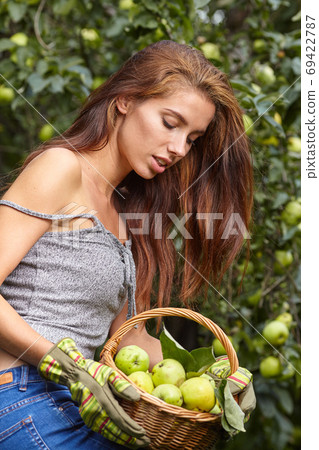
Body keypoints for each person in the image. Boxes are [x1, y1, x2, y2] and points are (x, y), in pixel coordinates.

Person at [0, 40, 253, 448]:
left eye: (192, 138)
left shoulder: (122, 213)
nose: (178, 148)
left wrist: (214, 382)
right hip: (18, 395)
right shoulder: (62, 167)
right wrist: (67, 366)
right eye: (171, 123)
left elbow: (130, 341)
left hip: (79, 402)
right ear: (125, 101)